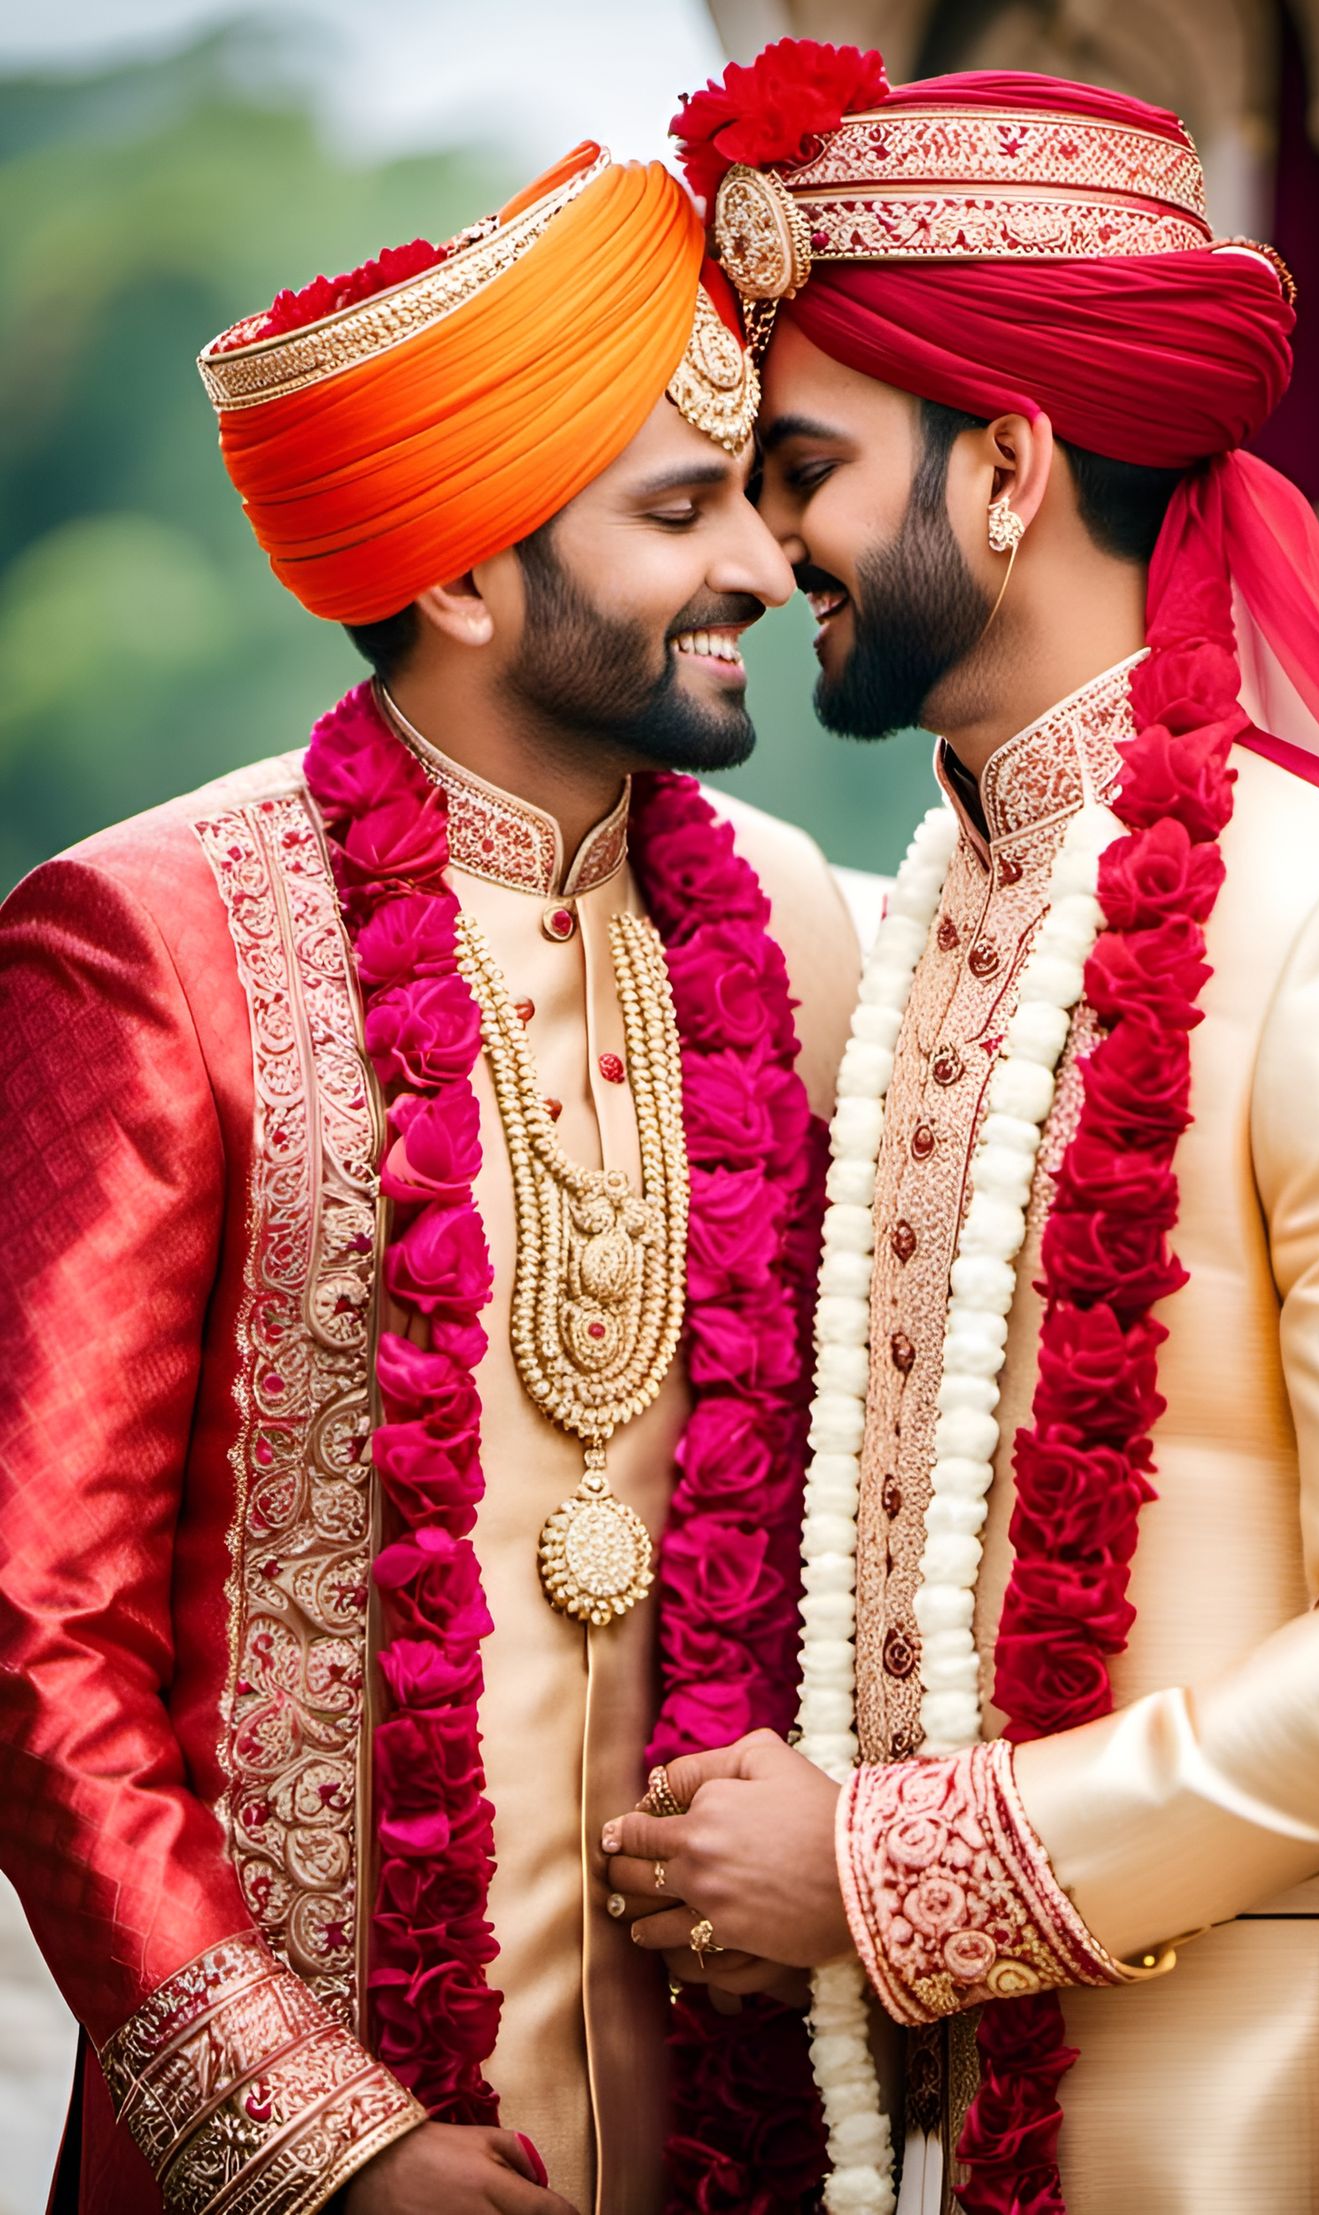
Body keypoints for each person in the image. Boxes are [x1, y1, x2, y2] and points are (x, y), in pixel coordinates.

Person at [606, 46, 1319, 2214]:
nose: (769, 561)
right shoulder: (939, 913)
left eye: (803, 469)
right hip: (911, 2122)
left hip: (1228, 2116)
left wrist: (882, 1865)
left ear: (1002, 470)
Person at [0, 141, 859, 2215]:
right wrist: (322, 2143)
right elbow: (42, 1626)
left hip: (715, 2116)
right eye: (676, 512)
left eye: (745, 495)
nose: (755, 562)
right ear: (466, 576)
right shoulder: (149, 936)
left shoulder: (804, 931)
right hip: (311, 2141)